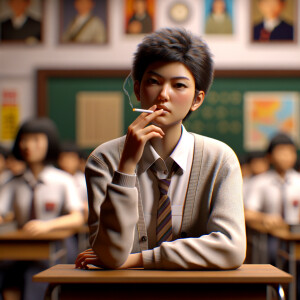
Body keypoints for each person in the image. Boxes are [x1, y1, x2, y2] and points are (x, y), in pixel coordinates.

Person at [75, 27, 246, 270]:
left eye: (178, 85)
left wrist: (140, 259)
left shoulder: (220, 159)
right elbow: (111, 255)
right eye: (154, 82)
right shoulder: (104, 159)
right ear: (137, 90)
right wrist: (126, 168)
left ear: (197, 100)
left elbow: (232, 248)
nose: (163, 95)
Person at [0, 117, 84, 300]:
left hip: (55, 245)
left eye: (36, 139)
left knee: (37, 275)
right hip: (20, 246)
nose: (28, 145)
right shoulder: (14, 182)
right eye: (24, 139)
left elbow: (77, 218)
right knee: (8, 273)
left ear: (49, 142)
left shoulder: (63, 180)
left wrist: (47, 226)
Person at [245, 132, 300, 228]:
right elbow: (248, 213)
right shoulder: (260, 182)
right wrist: (264, 218)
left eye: (291, 152)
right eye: (281, 152)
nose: (286, 156)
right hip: (269, 235)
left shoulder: (298, 180)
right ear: (269, 156)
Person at [58, 141, 88, 221]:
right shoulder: (55, 179)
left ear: (79, 161)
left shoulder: (83, 180)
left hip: (81, 220)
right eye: (64, 158)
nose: (68, 162)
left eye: (72, 158)